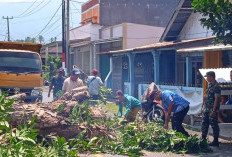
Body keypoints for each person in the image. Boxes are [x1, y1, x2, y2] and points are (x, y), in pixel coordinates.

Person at [201, 71, 221, 147]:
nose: (207, 78)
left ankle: (216, 141)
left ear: (212, 77)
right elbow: (208, 97)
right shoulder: (210, 85)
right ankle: (203, 139)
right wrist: (203, 107)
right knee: (204, 123)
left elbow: (217, 98)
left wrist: (214, 110)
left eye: (208, 77)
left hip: (212, 109)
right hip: (207, 108)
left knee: (214, 124)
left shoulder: (216, 86)